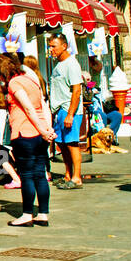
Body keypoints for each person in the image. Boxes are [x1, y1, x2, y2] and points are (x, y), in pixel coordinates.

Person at [0, 54, 56, 226]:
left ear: (2, 72)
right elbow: (43, 105)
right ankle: (43, 214)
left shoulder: (15, 83)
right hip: (40, 134)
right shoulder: (31, 80)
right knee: (40, 175)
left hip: (25, 133)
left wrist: (43, 130)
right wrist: (47, 129)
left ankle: (27, 214)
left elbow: (28, 108)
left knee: (27, 176)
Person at [47, 34, 85, 188]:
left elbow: (76, 90)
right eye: (49, 46)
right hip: (58, 110)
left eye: (54, 46)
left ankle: (77, 177)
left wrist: (70, 114)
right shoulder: (58, 65)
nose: (51, 50)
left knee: (71, 143)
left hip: (69, 110)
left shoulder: (71, 64)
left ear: (64, 46)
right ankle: (68, 174)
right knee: (62, 144)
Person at [0, 87, 22, 188]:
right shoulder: (7, 104)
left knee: (2, 158)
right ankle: (22, 176)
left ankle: (16, 179)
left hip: (2, 136)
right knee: (13, 155)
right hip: (11, 132)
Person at [88, 57, 121, 140]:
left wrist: (94, 59)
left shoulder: (95, 80)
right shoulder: (86, 88)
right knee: (101, 116)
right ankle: (102, 137)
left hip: (102, 107)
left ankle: (110, 134)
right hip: (93, 110)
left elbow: (99, 67)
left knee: (117, 115)